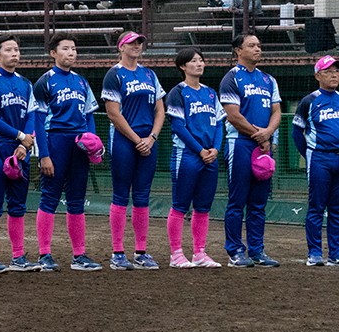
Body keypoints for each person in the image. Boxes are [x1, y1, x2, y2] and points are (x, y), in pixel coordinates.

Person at [31, 34, 99, 271]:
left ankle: (79, 256)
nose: (71, 52)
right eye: (66, 48)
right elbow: (38, 122)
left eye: (74, 48)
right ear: (53, 53)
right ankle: (44, 255)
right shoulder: (45, 82)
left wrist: (92, 142)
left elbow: (89, 114)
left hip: (79, 143)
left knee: (77, 200)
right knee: (49, 197)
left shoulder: (82, 81)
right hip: (56, 140)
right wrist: (44, 155)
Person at [101, 32, 165, 270]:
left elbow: (160, 110)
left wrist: (152, 137)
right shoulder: (114, 74)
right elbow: (113, 113)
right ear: (121, 47)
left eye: (140, 43)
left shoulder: (149, 74)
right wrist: (138, 139)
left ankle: (140, 252)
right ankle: (118, 253)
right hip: (125, 140)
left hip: (148, 140)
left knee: (142, 196)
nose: (137, 46)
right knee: (120, 195)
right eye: (132, 43)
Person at [220, 32, 281, 266]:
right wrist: (260, 135)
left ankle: (257, 250)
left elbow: (276, 111)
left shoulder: (269, 80)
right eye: (252, 45)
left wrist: (268, 134)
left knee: (258, 202)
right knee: (237, 200)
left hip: (263, 145)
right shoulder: (231, 78)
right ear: (238, 50)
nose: (258, 49)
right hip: (241, 144)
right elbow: (233, 115)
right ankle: (235, 251)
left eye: (259, 45)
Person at [0, 35, 37, 271]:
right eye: (9, 49)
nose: (15, 53)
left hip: (20, 150)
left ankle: (18, 257)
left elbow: (32, 115)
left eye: (17, 49)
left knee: (18, 205)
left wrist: (24, 145)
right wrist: (20, 137)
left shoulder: (26, 83)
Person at [166, 47, 224, 269]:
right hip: (188, 154)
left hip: (210, 156)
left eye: (201, 60)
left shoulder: (210, 93)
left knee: (203, 207)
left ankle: (199, 253)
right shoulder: (178, 93)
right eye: (194, 61)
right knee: (180, 205)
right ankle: (176, 254)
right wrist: (201, 150)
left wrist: (216, 149)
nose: (199, 64)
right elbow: (179, 127)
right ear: (183, 66)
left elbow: (219, 123)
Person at [295, 55, 339, 264]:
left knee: (337, 209)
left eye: (336, 71)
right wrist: (310, 155)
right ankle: (314, 253)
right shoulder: (309, 101)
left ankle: (335, 254)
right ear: (317, 75)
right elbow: (297, 133)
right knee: (316, 207)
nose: (334, 74)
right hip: (319, 159)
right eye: (329, 71)